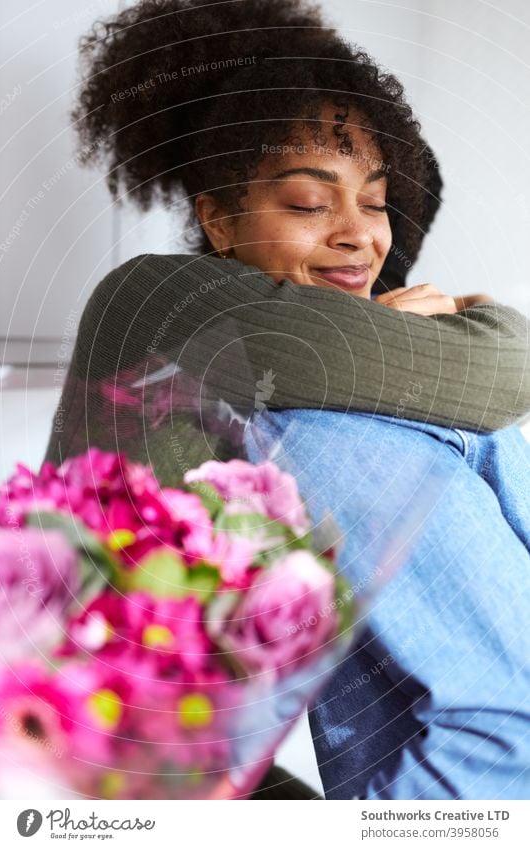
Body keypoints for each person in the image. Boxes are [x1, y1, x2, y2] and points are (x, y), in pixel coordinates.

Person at [43, 0, 530, 797]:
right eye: (308, 202)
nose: (358, 235)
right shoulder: (166, 298)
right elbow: (500, 375)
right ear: (217, 221)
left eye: (376, 203)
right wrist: (486, 314)